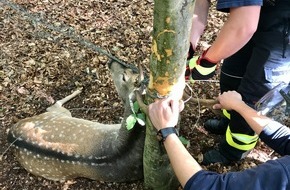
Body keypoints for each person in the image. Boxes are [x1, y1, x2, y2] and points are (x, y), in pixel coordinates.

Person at [185, 0, 290, 164]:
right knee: (232, 74)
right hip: (259, 11)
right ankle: (228, 122)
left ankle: (233, 151)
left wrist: (206, 62)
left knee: (256, 94)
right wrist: (188, 50)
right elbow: (200, 5)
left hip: (284, 28)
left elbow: (243, 26)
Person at [148, 91, 290, 190]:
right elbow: (284, 139)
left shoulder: (285, 175)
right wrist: (238, 105)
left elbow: (208, 187)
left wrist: (166, 130)